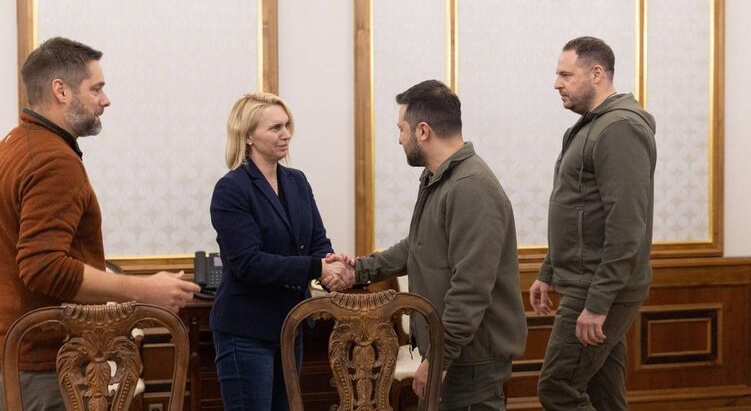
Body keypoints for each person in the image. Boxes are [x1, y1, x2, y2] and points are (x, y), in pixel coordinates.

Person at [0, 37, 200, 411]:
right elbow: (43, 267)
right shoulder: (54, 160)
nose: (105, 100)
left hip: (21, 357)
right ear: (61, 91)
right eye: (96, 88)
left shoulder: (14, 144)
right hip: (42, 366)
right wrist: (143, 290)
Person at [327, 80, 528, 410]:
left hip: (469, 362)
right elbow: (417, 246)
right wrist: (358, 270)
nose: (399, 138)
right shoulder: (439, 179)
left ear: (423, 131)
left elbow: (471, 288)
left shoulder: (471, 187)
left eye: (401, 129)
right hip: (453, 354)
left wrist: (438, 359)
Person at [529, 36, 657, 410]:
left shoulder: (619, 128)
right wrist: (549, 271)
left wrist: (599, 303)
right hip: (589, 282)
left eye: (566, 75)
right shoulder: (592, 126)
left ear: (597, 74)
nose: (556, 84)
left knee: (558, 388)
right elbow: (578, 211)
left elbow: (627, 226)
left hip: (598, 288)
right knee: (604, 396)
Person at [209, 92, 354, 411]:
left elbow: (317, 241)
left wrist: (332, 266)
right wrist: (319, 267)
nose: (286, 134)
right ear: (248, 135)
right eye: (275, 127)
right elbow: (249, 263)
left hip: (291, 325)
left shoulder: (297, 181)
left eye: (287, 125)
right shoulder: (231, 188)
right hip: (245, 330)